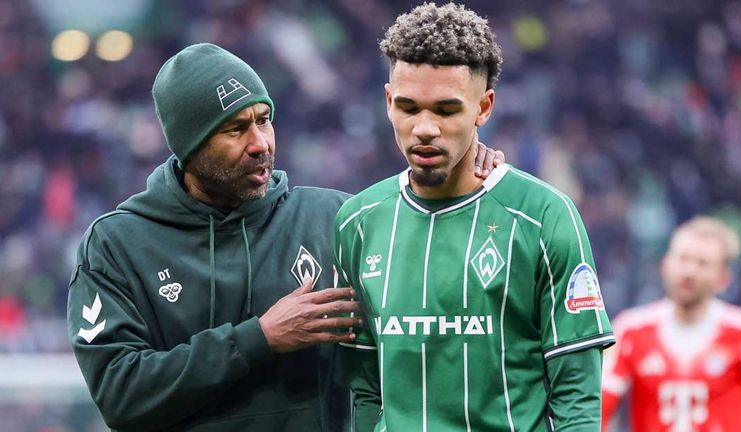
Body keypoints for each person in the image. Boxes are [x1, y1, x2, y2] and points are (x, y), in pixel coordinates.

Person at [66, 43, 504, 432]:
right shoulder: (116, 244)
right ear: (188, 145)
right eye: (235, 129)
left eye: (264, 120)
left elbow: (441, 290)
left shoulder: (336, 217)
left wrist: (463, 173)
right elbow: (120, 395)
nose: (260, 143)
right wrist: (259, 338)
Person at [332, 3, 614, 431]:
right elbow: (363, 388)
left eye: (446, 110)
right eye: (409, 108)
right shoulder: (357, 222)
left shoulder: (544, 217)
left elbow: (578, 397)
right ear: (388, 103)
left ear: (483, 108)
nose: (425, 128)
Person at [602, 216, 741, 431]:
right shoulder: (631, 331)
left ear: (724, 278)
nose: (689, 272)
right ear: (664, 264)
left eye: (702, 263)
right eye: (682, 259)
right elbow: (598, 409)